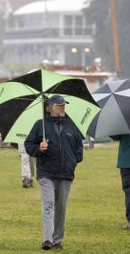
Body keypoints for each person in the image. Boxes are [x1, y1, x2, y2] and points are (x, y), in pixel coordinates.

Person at [25, 95, 84, 250]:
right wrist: (39, 148)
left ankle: (57, 240)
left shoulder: (72, 126)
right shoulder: (40, 126)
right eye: (59, 106)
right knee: (49, 204)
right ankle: (47, 239)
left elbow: (79, 147)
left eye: (63, 105)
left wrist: (74, 160)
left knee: (61, 207)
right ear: (50, 108)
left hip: (66, 172)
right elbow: (28, 146)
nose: (62, 108)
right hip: (46, 172)